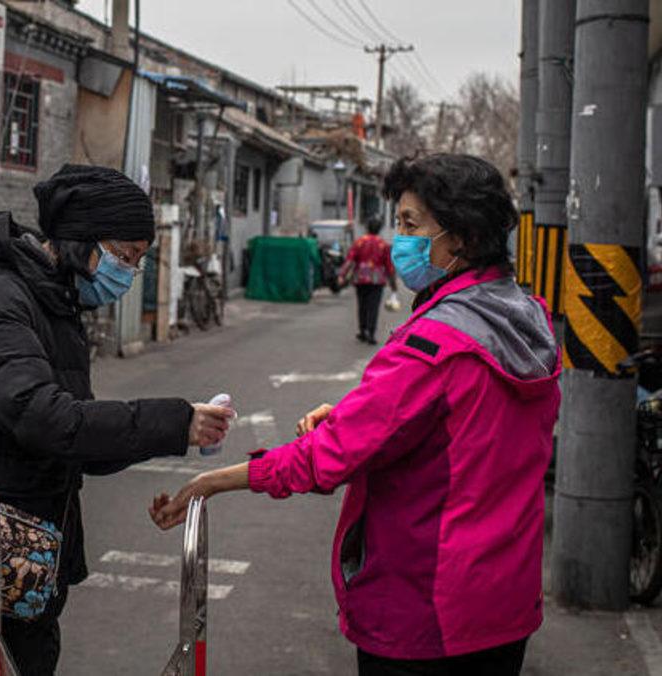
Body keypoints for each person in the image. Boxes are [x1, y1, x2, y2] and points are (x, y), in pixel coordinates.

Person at [149, 154, 560, 676]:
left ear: (463, 238)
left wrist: (212, 480)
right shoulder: (527, 320)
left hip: (428, 612)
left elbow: (326, 458)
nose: (399, 239)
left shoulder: (434, 344)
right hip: (505, 603)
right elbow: (463, 424)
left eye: (411, 225)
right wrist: (354, 414)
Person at [0, 164, 233, 675]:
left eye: (138, 261)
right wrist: (173, 421)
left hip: (21, 545)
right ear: (81, 243)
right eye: (124, 256)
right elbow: (44, 418)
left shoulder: (57, 303)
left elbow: (72, 441)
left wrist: (176, 429)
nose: (127, 273)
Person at [338, 217, 398, 345]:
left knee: (362, 305)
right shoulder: (384, 245)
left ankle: (362, 331)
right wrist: (393, 285)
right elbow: (389, 267)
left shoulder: (359, 242)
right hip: (377, 280)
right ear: (379, 229)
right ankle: (371, 333)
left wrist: (342, 275)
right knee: (373, 307)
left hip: (360, 278)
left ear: (367, 228)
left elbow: (350, 261)